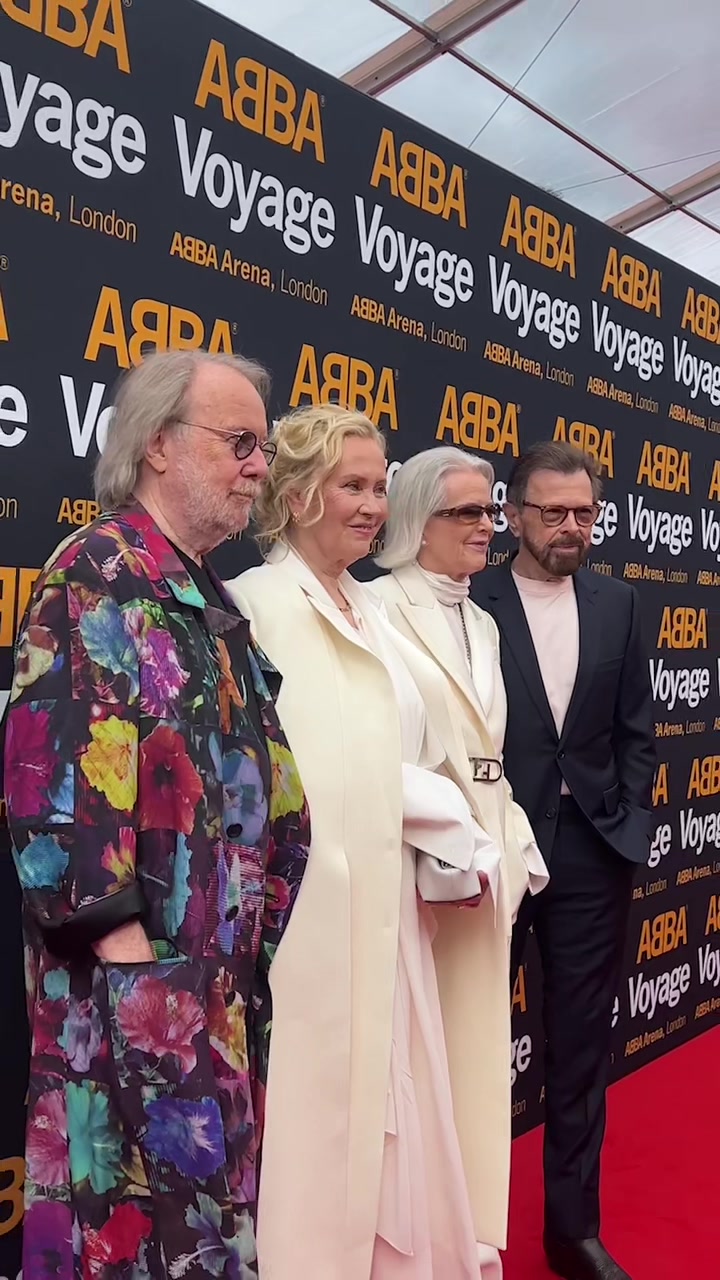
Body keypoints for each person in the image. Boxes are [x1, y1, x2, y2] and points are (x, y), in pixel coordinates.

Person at [3, 350, 310, 1280]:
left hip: (212, 997)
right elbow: (54, 800)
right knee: (124, 1242)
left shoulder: (201, 590)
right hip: (132, 1013)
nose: (258, 466)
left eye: (262, 447)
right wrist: (145, 994)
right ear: (159, 445)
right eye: (240, 442)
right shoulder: (98, 574)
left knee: (207, 1243)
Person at [226, 405, 506, 1280]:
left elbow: (410, 750)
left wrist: (457, 834)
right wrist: (454, 822)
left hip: (395, 912)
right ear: (297, 494)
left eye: (380, 487)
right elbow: (309, 775)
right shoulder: (258, 606)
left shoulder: (374, 611)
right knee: (322, 1124)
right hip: (314, 923)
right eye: (353, 486)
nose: (374, 506)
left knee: (398, 1105)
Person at [474, 441, 655, 1280]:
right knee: (474, 1041)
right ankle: (466, 1228)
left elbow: (636, 728)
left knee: (581, 1047)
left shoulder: (620, 602)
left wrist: (629, 817)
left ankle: (572, 1229)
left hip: (591, 850)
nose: (571, 527)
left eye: (584, 512)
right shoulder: (470, 599)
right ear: (513, 515)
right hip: (492, 852)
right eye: (553, 512)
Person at [371, 446, 549, 1266]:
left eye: (489, 510)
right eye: (467, 512)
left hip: (485, 876)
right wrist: (454, 841)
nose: (488, 526)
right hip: (417, 873)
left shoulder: (483, 621)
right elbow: (380, 753)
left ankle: (473, 1244)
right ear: (418, 522)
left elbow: (490, 757)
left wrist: (513, 846)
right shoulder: (376, 609)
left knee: (476, 1064)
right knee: (417, 1068)